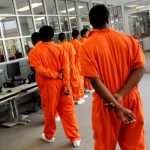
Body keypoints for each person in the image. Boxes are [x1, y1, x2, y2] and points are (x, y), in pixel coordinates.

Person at [80, 5, 145, 150]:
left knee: (104, 145)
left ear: (91, 23)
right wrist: (121, 95)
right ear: (108, 19)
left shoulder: (86, 46)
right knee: (134, 144)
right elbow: (140, 69)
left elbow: (95, 81)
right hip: (130, 98)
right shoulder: (128, 40)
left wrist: (117, 106)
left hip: (107, 103)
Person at [29, 26, 81, 147]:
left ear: (39, 36)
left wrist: (54, 75)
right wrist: (67, 85)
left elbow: (39, 69)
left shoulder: (34, 52)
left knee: (50, 112)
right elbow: (66, 69)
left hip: (48, 85)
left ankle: (49, 136)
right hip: (63, 84)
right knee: (68, 111)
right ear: (53, 36)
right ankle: (75, 138)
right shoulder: (60, 49)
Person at [29, 32, 60, 121]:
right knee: (57, 98)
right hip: (58, 79)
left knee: (47, 101)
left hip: (45, 80)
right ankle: (57, 114)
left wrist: (54, 74)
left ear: (33, 40)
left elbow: (35, 69)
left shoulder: (34, 51)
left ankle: (53, 118)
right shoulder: (56, 47)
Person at [58, 33, 83, 104]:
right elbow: (73, 56)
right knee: (74, 82)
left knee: (65, 84)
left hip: (62, 69)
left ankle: (69, 99)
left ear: (59, 39)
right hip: (71, 66)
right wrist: (71, 65)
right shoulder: (69, 45)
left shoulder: (58, 46)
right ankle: (77, 98)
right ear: (65, 38)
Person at [70, 30, 88, 104]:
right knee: (79, 80)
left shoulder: (69, 43)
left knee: (74, 81)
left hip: (71, 64)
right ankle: (79, 96)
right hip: (78, 63)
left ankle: (78, 96)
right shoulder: (79, 44)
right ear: (78, 36)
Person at [80, 29, 94, 93]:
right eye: (87, 33)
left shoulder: (81, 41)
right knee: (89, 74)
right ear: (83, 35)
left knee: (85, 75)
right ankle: (89, 88)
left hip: (82, 60)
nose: (88, 34)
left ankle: (86, 87)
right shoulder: (85, 41)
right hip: (87, 59)